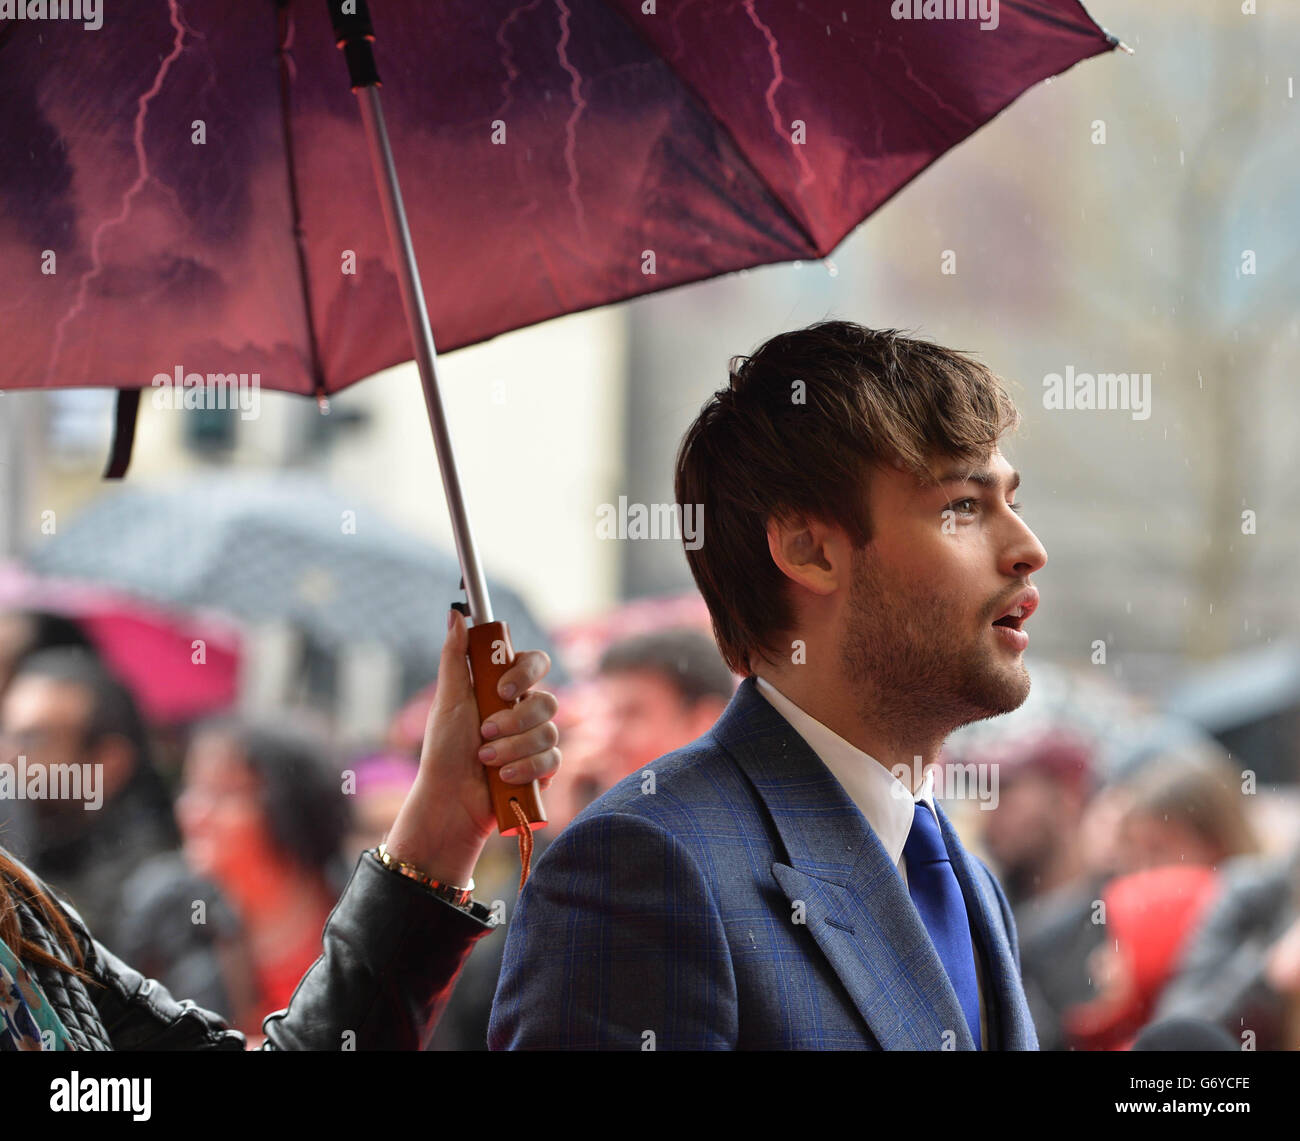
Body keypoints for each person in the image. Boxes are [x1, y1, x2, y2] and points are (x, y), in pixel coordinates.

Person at [490, 321, 1047, 1050]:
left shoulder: (969, 884)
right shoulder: (645, 871)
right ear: (809, 550)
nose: (1026, 548)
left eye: (1011, 499)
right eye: (963, 508)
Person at [0, 609, 559, 1050]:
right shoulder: (166, 905)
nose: (195, 813)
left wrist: (443, 823)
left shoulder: (29, 923)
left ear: (288, 810)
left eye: (225, 795)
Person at [0, 648, 179, 951]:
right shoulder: (17, 844)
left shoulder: (156, 893)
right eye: (5, 734)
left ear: (110, 762)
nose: (7, 758)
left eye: (33, 741)